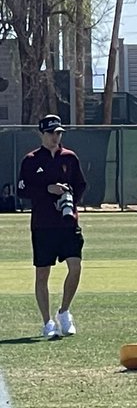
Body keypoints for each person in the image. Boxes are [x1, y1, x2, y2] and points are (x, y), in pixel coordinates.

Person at [17, 115, 85, 340]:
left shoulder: (70, 157)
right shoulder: (31, 160)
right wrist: (48, 190)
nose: (56, 137)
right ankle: (47, 322)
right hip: (43, 225)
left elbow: (80, 185)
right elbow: (23, 190)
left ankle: (64, 311)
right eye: (51, 133)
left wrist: (69, 200)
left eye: (59, 133)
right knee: (42, 273)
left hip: (67, 223)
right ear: (42, 134)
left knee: (75, 266)